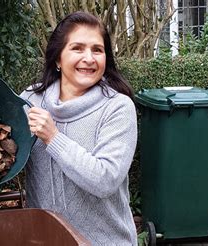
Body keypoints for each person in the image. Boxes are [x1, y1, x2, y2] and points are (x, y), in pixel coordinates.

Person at [20, 11, 137, 245]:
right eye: (77, 48)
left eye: (97, 50)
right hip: (45, 241)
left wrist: (53, 138)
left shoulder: (117, 108)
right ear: (57, 59)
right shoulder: (30, 101)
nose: (89, 58)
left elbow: (105, 180)